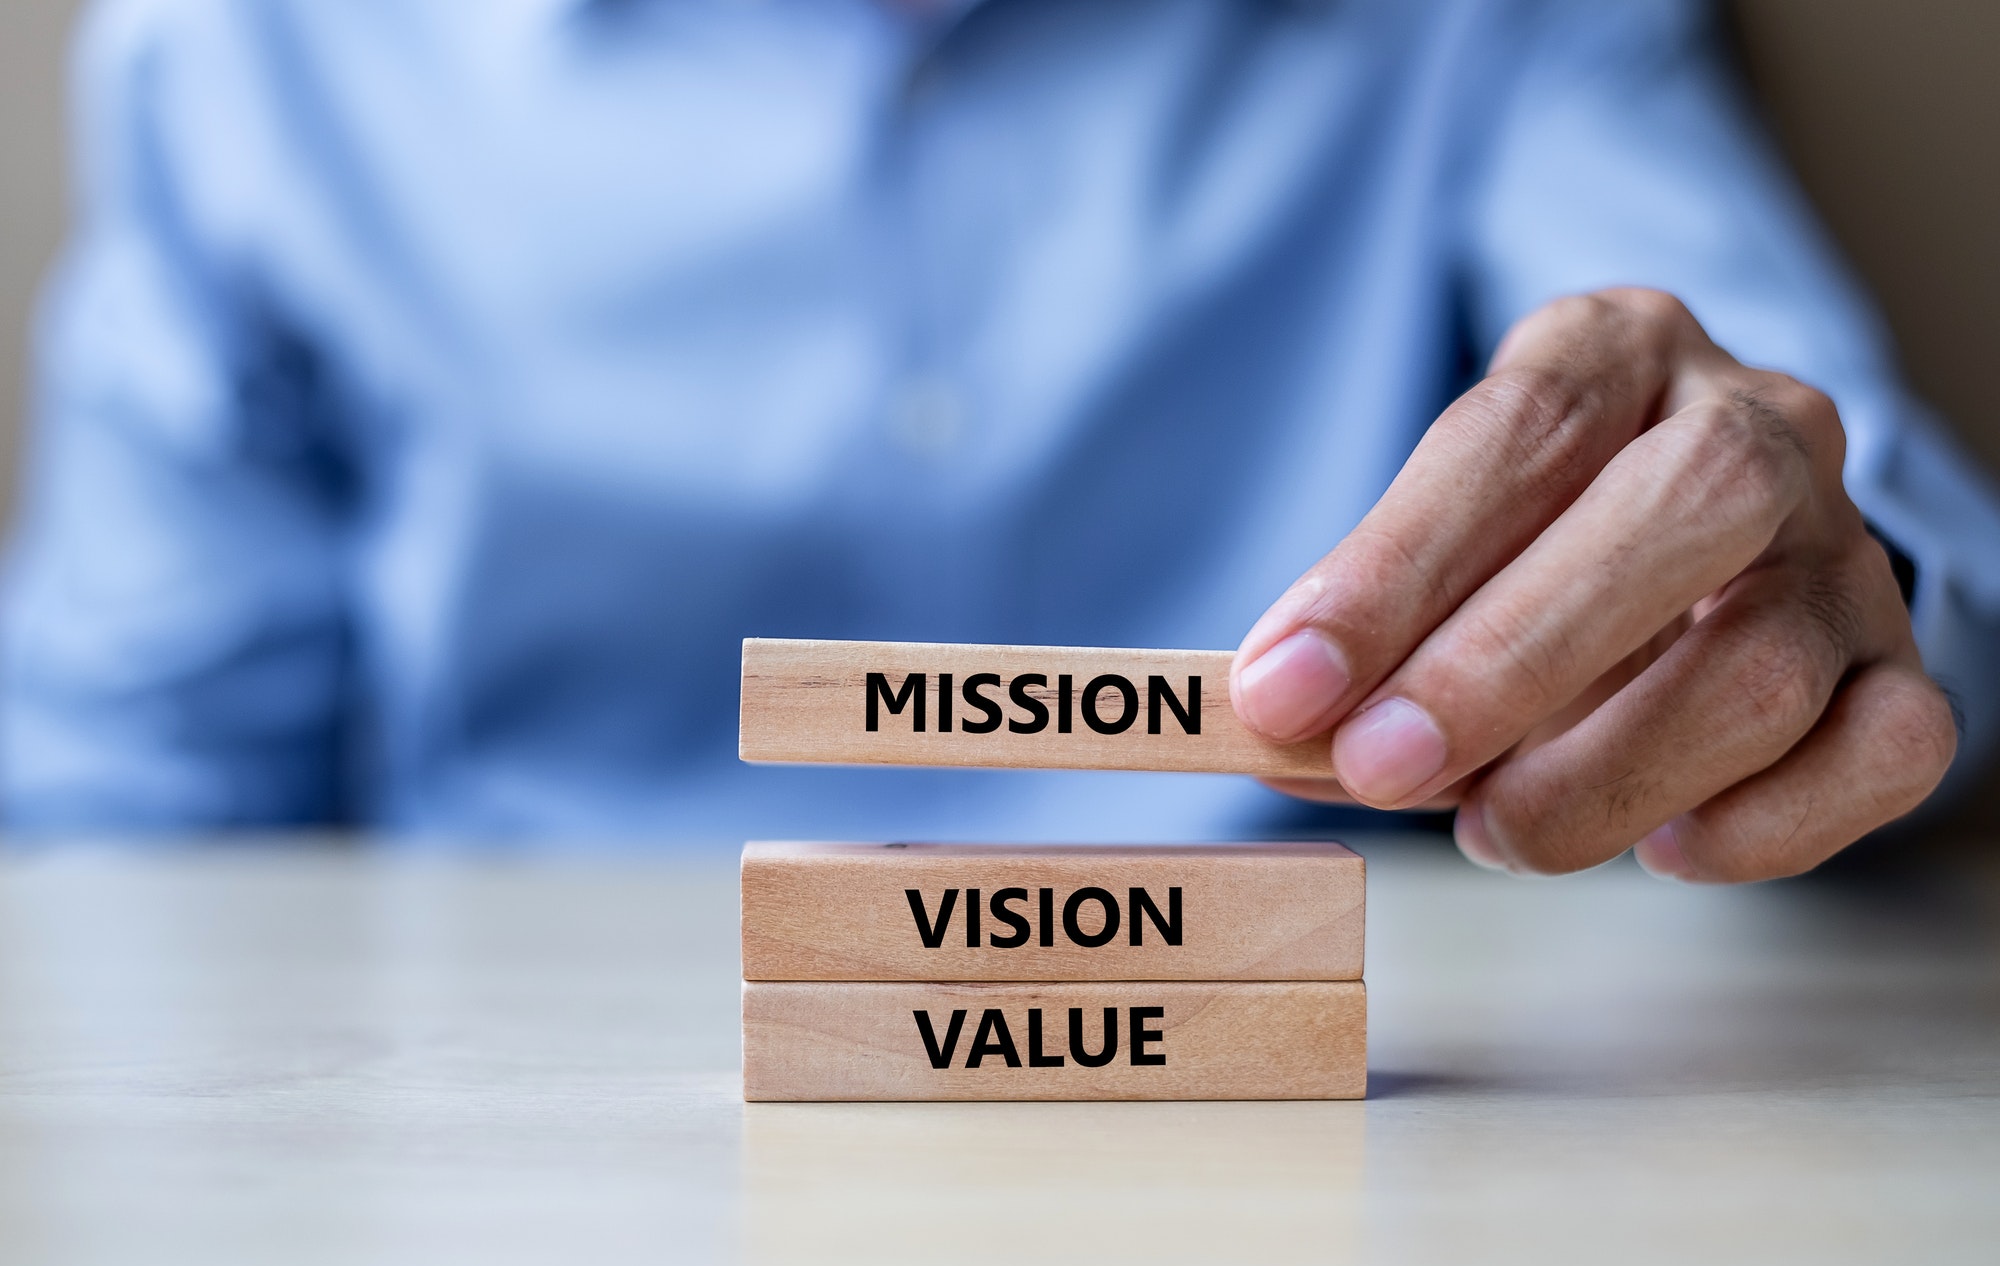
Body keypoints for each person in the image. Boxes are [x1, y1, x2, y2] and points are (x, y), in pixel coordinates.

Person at [6, 0, 1996, 877]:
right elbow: (120, 820)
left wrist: (1823, 618)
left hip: (1353, 1138)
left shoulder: (1484, 17)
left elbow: (1863, 555)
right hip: (526, 1163)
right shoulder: (252, 48)